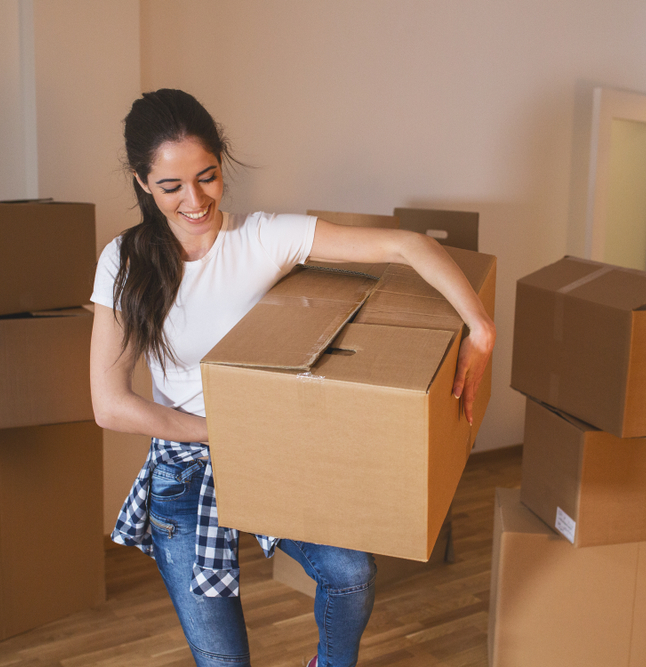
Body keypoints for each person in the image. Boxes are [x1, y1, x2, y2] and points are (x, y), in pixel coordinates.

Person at [90, 89, 495, 667]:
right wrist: (217, 433)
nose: (195, 200)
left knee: (351, 573)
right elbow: (110, 405)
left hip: (268, 453)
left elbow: (407, 246)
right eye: (171, 186)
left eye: (207, 177)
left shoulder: (262, 237)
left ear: (221, 163)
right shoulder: (124, 262)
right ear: (142, 182)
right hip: (185, 468)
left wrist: (480, 326)